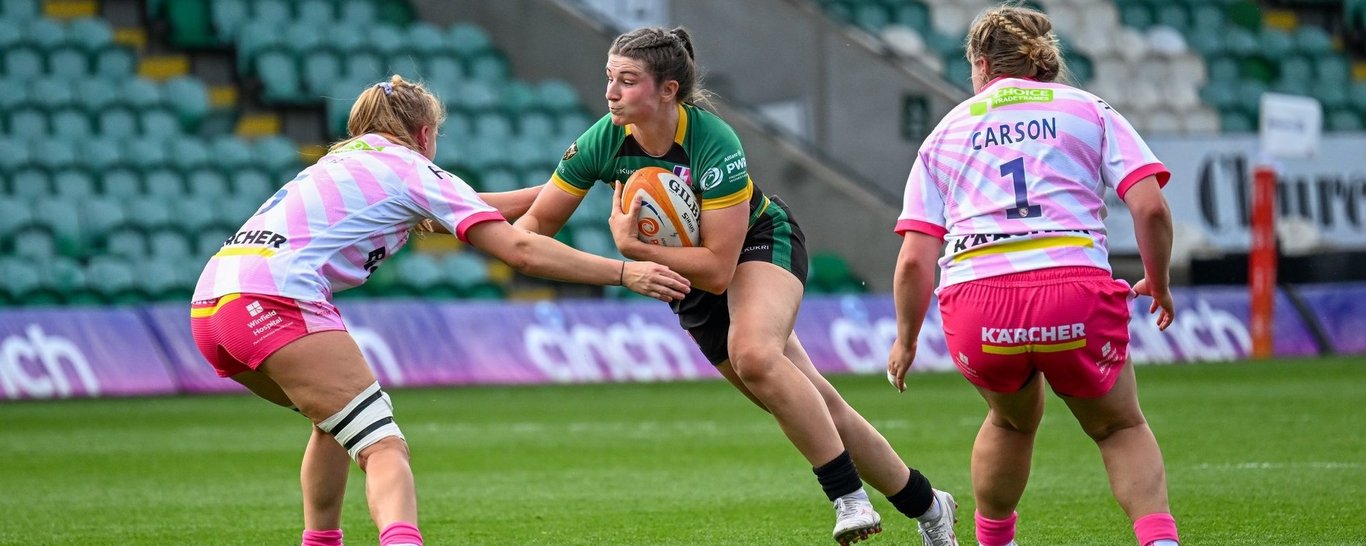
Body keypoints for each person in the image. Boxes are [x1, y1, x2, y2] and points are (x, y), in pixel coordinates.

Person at [189, 75, 690, 546]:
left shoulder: (341, 162)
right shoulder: (411, 169)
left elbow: (467, 204)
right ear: (425, 134)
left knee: (336, 422)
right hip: (275, 301)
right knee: (383, 446)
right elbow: (520, 251)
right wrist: (625, 272)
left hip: (213, 307)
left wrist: (570, 184)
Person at [512, 27, 958, 546]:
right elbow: (532, 229)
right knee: (809, 403)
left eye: (627, 81)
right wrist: (462, 214)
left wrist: (634, 252)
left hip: (759, 243)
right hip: (689, 284)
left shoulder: (712, 140)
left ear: (668, 90)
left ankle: (847, 497)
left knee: (753, 355)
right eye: (610, 77)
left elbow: (719, 268)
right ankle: (930, 507)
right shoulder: (603, 140)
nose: (610, 91)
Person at [886, 5, 1181, 546]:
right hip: (1074, 292)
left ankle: (994, 541)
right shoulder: (1088, 109)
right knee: (1119, 427)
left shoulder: (945, 132)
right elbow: (1152, 209)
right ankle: (1158, 540)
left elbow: (913, 259)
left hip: (979, 305)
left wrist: (906, 340)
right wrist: (1158, 283)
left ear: (980, 63)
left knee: (1011, 421)